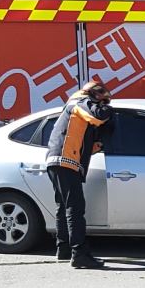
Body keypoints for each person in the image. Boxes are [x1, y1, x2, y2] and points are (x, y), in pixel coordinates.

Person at [45, 80, 114, 269]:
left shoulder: (73, 108)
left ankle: (64, 249)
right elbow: (99, 116)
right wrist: (110, 112)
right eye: (102, 101)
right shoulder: (80, 103)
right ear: (95, 94)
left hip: (57, 161)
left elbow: (85, 143)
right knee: (75, 209)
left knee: (63, 207)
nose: (103, 105)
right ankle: (80, 255)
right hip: (65, 161)